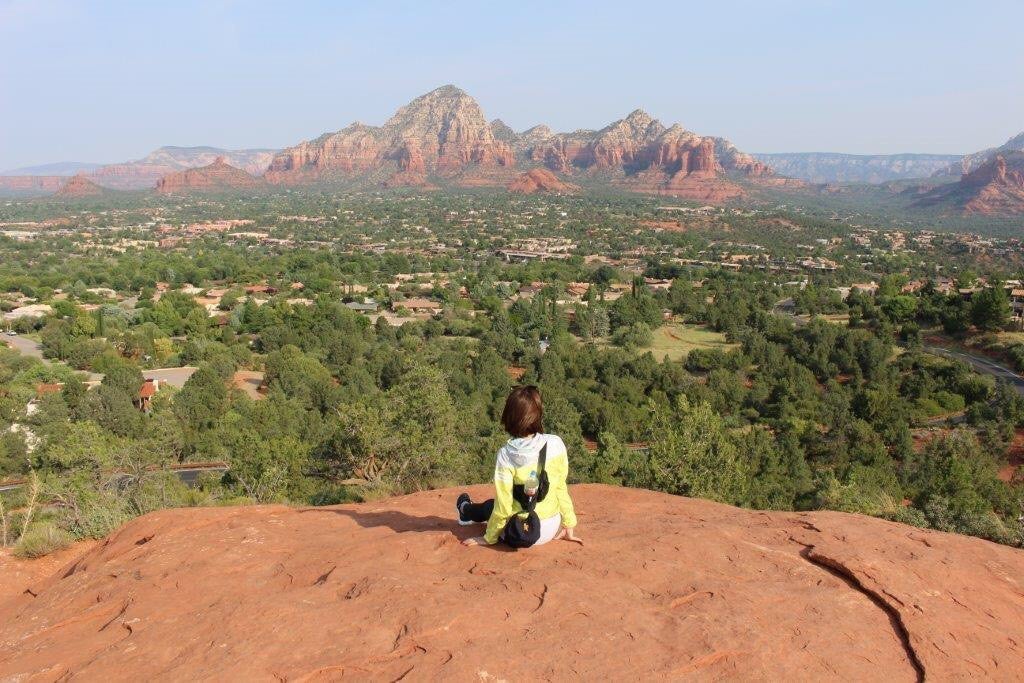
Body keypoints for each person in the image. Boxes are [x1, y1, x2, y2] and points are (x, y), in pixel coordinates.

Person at [458, 385, 582, 547]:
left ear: (509, 417)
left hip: (519, 532)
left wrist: (489, 538)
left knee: (492, 506)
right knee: (494, 505)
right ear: (538, 415)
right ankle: (466, 510)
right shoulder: (555, 443)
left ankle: (465, 510)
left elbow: (503, 506)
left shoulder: (506, 454)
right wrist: (569, 523)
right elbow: (560, 487)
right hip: (550, 528)